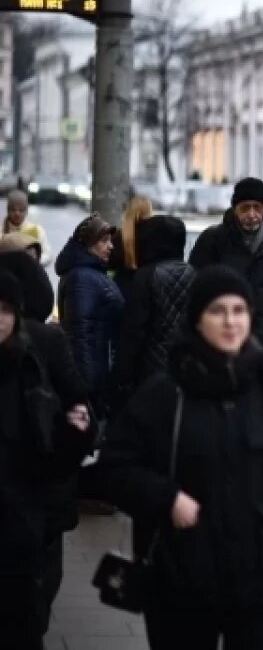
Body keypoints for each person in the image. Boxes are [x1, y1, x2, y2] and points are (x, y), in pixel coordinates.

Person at [94, 265, 263, 650]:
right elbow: (112, 469)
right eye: (217, 311)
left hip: (258, 583)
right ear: (198, 320)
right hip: (180, 582)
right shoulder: (165, 395)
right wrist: (166, 498)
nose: (230, 321)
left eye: (238, 310)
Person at [0, 270, 93, 649]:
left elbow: (75, 419)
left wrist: (76, 430)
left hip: (22, 521)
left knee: (22, 619)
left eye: (4, 310)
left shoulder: (31, 362)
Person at [189, 177, 263, 378]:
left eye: (257, 207)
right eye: (245, 208)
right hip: (223, 347)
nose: (251, 214)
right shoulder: (214, 241)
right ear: (235, 209)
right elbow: (195, 295)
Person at [112, 215, 197, 396]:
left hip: (150, 369)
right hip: (185, 366)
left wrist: (121, 375)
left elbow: (134, 330)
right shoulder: (192, 273)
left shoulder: (146, 276)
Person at [56, 214, 125, 416]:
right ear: (87, 245)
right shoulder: (82, 278)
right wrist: (88, 386)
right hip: (93, 381)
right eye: (104, 241)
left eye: (110, 240)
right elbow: (80, 333)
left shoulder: (92, 273)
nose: (111, 246)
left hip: (99, 373)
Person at [109, 195, 155, 302]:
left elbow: (110, 264)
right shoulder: (153, 236)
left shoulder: (118, 236)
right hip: (146, 289)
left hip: (121, 288)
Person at [3, 188, 52, 267]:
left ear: (26, 211)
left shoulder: (36, 230)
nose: (17, 214)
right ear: (8, 210)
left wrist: (35, 261)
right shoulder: (1, 230)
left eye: (21, 210)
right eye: (13, 210)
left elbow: (47, 254)